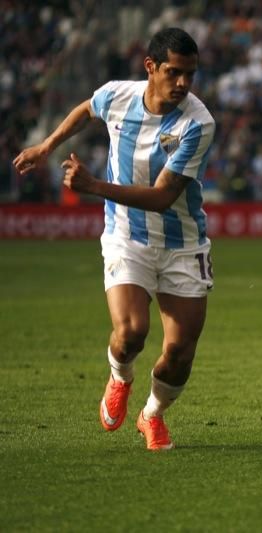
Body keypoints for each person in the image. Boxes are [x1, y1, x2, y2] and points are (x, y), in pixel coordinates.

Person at [13, 28, 215, 451]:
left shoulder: (198, 123)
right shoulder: (118, 95)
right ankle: (120, 377)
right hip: (127, 235)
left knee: (179, 352)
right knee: (131, 332)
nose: (183, 83)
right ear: (150, 68)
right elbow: (87, 109)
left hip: (183, 243)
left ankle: (152, 415)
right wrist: (47, 146)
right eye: (174, 72)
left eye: (190, 75)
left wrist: (93, 186)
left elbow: (162, 197)